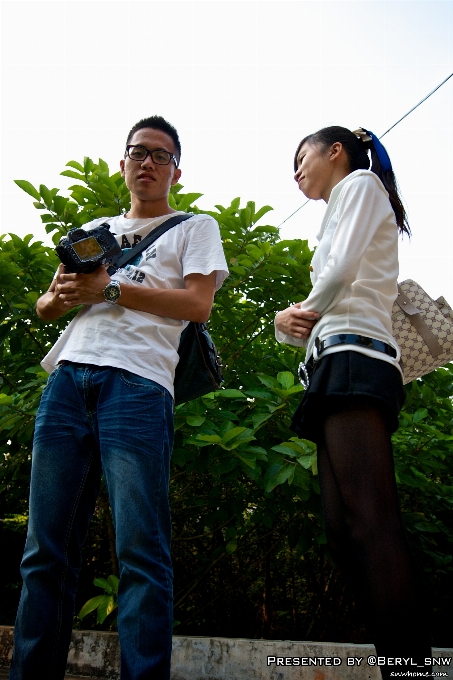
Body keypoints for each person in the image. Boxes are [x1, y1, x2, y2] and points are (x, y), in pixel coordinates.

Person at [11, 116, 229, 680]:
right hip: (67, 380)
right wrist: (63, 293)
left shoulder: (193, 227)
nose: (148, 162)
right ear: (123, 163)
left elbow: (199, 304)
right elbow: (45, 307)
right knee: (44, 553)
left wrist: (109, 287)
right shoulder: (95, 227)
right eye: (139, 152)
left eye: (161, 155)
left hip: (137, 384)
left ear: (176, 170)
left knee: (141, 551)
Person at [275, 126, 431, 677]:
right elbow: (330, 289)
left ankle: (410, 670)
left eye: (301, 158)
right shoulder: (346, 199)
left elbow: (340, 273)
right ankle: (401, 658)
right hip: (333, 359)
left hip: (355, 356)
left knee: (372, 521)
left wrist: (295, 315)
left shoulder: (360, 184)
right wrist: (286, 326)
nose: (295, 172)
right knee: (345, 532)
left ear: (335, 151)